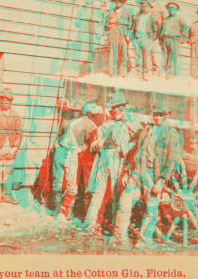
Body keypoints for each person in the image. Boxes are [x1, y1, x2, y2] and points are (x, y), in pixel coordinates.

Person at [110, 108, 186, 247]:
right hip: (136, 173)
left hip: (152, 175)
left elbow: (172, 160)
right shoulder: (145, 130)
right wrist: (128, 171)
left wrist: (161, 181)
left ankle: (144, 241)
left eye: (160, 114)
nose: (157, 117)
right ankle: (119, 237)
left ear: (166, 116)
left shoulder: (172, 134)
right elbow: (137, 151)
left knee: (151, 210)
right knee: (123, 203)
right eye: (155, 114)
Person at [84, 91, 132, 235]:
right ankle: (90, 225)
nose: (117, 111)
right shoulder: (106, 125)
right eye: (115, 108)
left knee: (117, 194)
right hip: (104, 161)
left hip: (119, 162)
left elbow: (132, 148)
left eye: (120, 108)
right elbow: (93, 145)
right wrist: (103, 142)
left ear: (124, 109)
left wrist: (123, 147)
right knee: (98, 193)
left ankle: (114, 226)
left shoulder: (129, 126)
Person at [54, 102, 104, 223]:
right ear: (90, 113)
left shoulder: (74, 123)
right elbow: (94, 145)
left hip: (71, 156)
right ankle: (85, 216)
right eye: (96, 114)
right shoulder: (90, 125)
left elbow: (65, 142)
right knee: (85, 186)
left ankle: (64, 213)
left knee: (71, 186)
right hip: (81, 159)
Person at [0, 88, 22, 204]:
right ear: (0, 101)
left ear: (11, 101)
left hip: (10, 147)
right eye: (3, 100)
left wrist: (14, 149)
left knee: (7, 172)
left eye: (7, 100)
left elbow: (19, 134)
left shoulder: (16, 115)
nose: (5, 102)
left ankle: (7, 195)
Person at [104, 0, 133, 77]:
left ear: (122, 3)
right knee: (113, 53)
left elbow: (131, 23)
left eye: (119, 2)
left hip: (123, 34)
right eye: (116, 2)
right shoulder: (110, 12)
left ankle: (122, 72)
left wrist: (124, 23)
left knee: (123, 53)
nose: (118, 3)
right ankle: (112, 72)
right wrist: (109, 25)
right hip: (113, 33)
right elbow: (106, 25)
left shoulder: (127, 12)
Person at [144, 0, 167, 76]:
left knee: (156, 56)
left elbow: (165, 21)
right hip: (146, 35)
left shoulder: (161, 7)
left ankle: (158, 75)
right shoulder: (144, 6)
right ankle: (148, 74)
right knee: (146, 55)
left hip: (157, 36)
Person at [160, 2, 188, 77]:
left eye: (173, 9)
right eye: (169, 9)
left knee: (175, 57)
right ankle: (167, 74)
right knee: (166, 57)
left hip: (175, 40)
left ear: (176, 10)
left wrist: (184, 38)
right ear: (168, 10)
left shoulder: (179, 18)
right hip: (166, 40)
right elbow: (161, 30)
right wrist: (161, 38)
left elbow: (185, 28)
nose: (171, 10)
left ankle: (176, 74)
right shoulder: (165, 19)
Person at [132, 0, 158, 80]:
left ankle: (146, 74)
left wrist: (152, 38)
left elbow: (155, 28)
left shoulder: (152, 16)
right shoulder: (137, 16)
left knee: (146, 57)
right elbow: (133, 26)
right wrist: (134, 37)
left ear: (148, 7)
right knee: (138, 56)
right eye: (141, 6)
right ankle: (139, 74)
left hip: (146, 38)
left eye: (145, 6)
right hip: (137, 38)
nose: (143, 7)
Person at [188, 8, 198, 79]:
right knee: (194, 61)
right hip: (194, 45)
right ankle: (194, 77)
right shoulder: (193, 24)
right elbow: (189, 35)